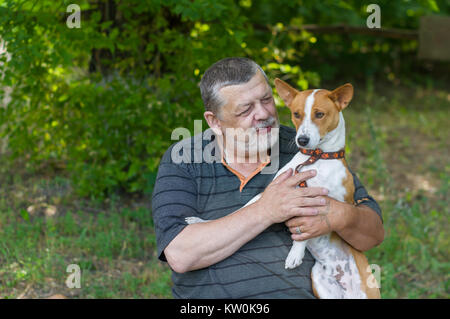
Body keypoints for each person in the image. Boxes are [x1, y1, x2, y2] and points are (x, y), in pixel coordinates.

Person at [151, 57, 384, 298]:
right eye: (245, 109)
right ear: (214, 121)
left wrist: (338, 214)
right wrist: (266, 210)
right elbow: (180, 255)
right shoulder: (186, 158)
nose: (263, 113)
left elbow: (374, 233)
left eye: (266, 99)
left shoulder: (308, 149)